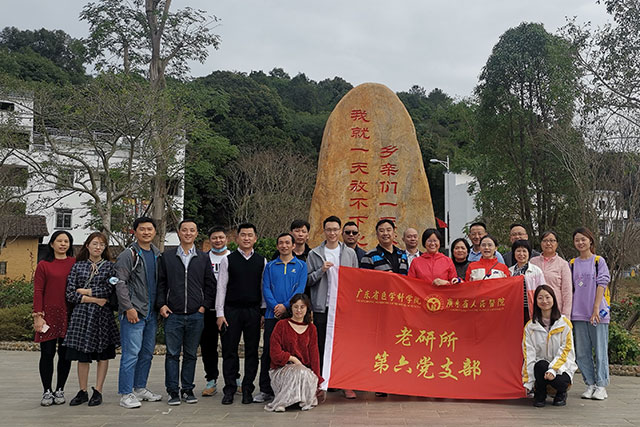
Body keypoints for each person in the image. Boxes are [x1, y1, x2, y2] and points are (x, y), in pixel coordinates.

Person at [156, 220, 216, 406]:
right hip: (173, 314)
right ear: (179, 233)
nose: (188, 233)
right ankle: (173, 391)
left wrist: (203, 306)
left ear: (196, 234)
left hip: (196, 314)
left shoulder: (203, 258)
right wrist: (161, 305)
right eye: (184, 230)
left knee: (191, 354)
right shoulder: (167, 257)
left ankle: (188, 389)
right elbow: (161, 283)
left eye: (192, 230)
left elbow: (210, 285)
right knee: (172, 354)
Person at [64, 232, 120, 407]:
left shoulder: (110, 267)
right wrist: (94, 299)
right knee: (82, 356)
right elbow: (70, 293)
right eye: (95, 243)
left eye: (102, 244)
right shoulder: (77, 266)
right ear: (87, 245)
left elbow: (109, 290)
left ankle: (98, 390)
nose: (98, 247)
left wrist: (86, 291)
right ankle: (82, 391)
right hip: (81, 315)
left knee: (103, 354)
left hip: (102, 316)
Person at [307, 216, 358, 399]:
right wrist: (321, 271)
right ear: (324, 231)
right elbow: (308, 280)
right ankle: (321, 383)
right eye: (329, 229)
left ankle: (345, 384)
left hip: (343, 308)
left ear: (340, 231)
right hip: (322, 307)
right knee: (321, 345)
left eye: (335, 229)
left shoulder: (350, 253)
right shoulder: (314, 254)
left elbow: (356, 280)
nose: (332, 233)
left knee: (344, 346)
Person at [114, 217, 162, 408]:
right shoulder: (129, 254)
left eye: (150, 229)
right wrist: (128, 308)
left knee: (147, 353)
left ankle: (139, 388)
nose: (146, 232)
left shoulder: (157, 254)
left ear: (155, 232)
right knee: (131, 354)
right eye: (142, 229)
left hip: (151, 313)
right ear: (135, 232)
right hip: (134, 312)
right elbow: (120, 283)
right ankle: (126, 393)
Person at [216, 223, 266, 405]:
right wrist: (220, 313)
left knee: (252, 352)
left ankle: (247, 389)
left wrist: (263, 311)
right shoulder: (228, 260)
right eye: (243, 235)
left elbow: (263, 287)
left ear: (255, 238)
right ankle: (229, 389)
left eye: (250, 235)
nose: (246, 238)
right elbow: (221, 287)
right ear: (237, 238)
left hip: (253, 311)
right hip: (231, 311)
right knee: (229, 351)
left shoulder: (262, 261)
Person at [255, 233, 308, 404]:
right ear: (277, 246)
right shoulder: (270, 266)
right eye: (281, 243)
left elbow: (300, 289)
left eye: (287, 243)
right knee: (269, 352)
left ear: (293, 245)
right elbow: (266, 288)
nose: (284, 246)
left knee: (291, 352)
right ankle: (266, 389)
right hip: (272, 315)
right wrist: (275, 307)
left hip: (293, 316)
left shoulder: (301, 266)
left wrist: (286, 306)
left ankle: (290, 389)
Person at [32, 230, 75, 406]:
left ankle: (60, 389)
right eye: (59, 241)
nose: (63, 244)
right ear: (52, 244)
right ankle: (47, 391)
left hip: (69, 315)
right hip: (48, 316)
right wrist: (38, 316)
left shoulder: (74, 263)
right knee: (47, 354)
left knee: (65, 355)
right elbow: (38, 291)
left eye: (66, 241)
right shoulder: (43, 265)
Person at [570, 227, 611, 401]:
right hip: (578, 313)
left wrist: (595, 308)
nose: (580, 242)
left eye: (583, 239)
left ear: (590, 241)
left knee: (600, 350)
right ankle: (590, 384)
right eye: (577, 240)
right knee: (582, 352)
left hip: (598, 313)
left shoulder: (598, 261)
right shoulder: (572, 263)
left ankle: (601, 385)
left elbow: (602, 282)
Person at [265, 293, 323, 412]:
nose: (299, 310)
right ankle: (282, 403)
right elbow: (274, 353)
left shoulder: (312, 328)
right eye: (296, 307)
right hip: (281, 370)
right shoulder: (281, 325)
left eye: (302, 307)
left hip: (304, 371)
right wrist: (293, 359)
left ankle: (300, 399)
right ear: (291, 308)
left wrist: (317, 378)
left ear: (307, 309)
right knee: (299, 372)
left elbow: (314, 355)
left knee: (305, 373)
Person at [523, 285, 577, 407]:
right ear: (536, 301)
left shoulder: (564, 324)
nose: (544, 301)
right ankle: (540, 394)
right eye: (540, 298)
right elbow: (529, 355)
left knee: (561, 381)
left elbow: (566, 351)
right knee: (540, 365)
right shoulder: (530, 327)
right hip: (541, 369)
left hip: (562, 368)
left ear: (553, 299)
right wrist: (528, 381)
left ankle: (561, 393)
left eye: (547, 297)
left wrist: (553, 369)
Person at [201, 226, 229, 397]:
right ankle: (211, 379)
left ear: (226, 239)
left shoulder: (233, 258)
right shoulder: (203, 259)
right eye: (214, 238)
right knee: (208, 347)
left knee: (229, 347)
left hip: (228, 310)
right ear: (209, 240)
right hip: (208, 309)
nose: (218, 241)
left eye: (221, 237)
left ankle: (234, 378)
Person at [530, 231, 573, 317]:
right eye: (545, 240)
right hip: (536, 308)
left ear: (557, 244)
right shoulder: (532, 262)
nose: (548, 243)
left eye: (552, 241)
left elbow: (567, 291)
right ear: (541, 243)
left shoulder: (563, 264)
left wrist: (566, 315)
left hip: (556, 309)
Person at [509, 240, 546, 324]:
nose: (521, 254)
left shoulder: (536, 271)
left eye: (524, 251)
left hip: (530, 308)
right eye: (518, 251)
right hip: (514, 308)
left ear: (529, 253)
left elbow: (542, 290)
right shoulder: (509, 271)